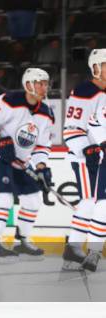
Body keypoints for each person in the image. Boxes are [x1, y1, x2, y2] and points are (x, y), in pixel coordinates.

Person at [0, 68, 55, 260]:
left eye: (46, 83)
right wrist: (0, 138)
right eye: (40, 83)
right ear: (28, 84)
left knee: (33, 199)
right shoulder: (9, 101)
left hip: (21, 163)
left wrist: (41, 166)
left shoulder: (47, 113)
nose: (44, 87)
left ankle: (22, 241)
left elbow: (42, 146)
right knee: (3, 197)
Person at [63, 49, 106, 271]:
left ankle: (74, 246)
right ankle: (76, 246)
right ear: (96, 68)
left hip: (101, 157)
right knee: (91, 202)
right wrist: (88, 149)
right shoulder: (84, 91)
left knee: (90, 203)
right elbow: (71, 129)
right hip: (86, 157)